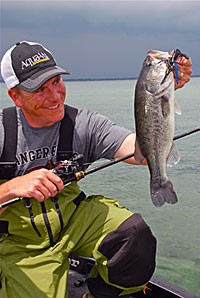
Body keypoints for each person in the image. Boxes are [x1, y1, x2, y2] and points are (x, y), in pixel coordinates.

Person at [0, 41, 192, 298]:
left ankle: (98, 293)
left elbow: (139, 152)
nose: (55, 96)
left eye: (56, 81)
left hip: (73, 223)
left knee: (135, 237)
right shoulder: (3, 132)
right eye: (39, 90)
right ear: (15, 95)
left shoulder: (82, 123)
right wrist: (11, 187)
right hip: (20, 244)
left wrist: (162, 95)